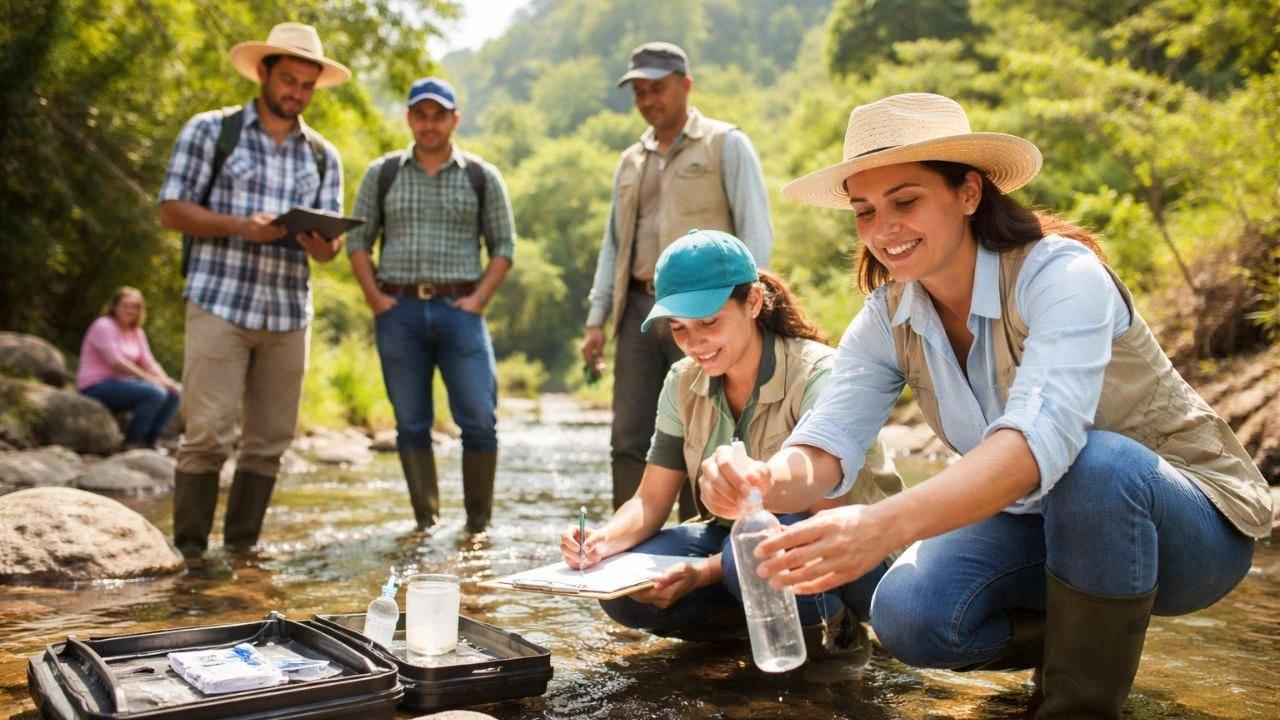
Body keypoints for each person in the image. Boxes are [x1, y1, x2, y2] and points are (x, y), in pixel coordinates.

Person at [697, 94, 1272, 717]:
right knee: (907, 613)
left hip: (1190, 527)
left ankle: (1078, 705)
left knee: (1096, 464)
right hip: (1043, 524)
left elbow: (1037, 443)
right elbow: (826, 443)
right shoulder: (887, 317)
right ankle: (1085, 644)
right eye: (865, 211)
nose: (883, 229)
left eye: (905, 201)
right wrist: (761, 478)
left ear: (969, 193)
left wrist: (882, 525)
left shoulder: (1062, 275)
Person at [562, 230, 905, 657]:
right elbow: (650, 500)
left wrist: (704, 572)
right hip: (742, 551)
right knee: (626, 590)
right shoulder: (681, 382)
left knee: (749, 556)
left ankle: (838, 635)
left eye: (709, 322)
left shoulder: (818, 373)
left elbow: (824, 509)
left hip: (856, 554)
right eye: (679, 328)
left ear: (754, 301)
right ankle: (752, 631)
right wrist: (601, 542)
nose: (694, 343)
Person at [157, 22, 349, 556]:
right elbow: (171, 210)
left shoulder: (323, 155)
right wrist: (241, 226)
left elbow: (331, 249)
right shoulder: (210, 131)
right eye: (288, 80)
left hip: (288, 314)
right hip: (219, 302)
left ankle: (241, 556)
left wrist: (323, 245)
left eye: (307, 85)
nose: (297, 93)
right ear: (263, 72)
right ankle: (191, 558)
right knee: (207, 435)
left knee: (268, 445)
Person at [581, 42, 774, 520]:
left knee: (705, 432)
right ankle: (622, 542)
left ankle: (703, 540)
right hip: (640, 312)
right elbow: (613, 245)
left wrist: (748, 308)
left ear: (685, 85)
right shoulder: (630, 161)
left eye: (657, 88)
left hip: (710, 312)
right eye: (639, 92)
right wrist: (597, 319)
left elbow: (755, 233)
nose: (648, 99)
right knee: (627, 436)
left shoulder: (726, 144)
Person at [346, 77, 515, 534]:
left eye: (439, 115)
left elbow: (504, 246)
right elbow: (358, 241)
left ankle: (476, 528)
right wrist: (375, 298)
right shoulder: (382, 173)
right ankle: (426, 524)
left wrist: (479, 299)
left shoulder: (482, 176)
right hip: (397, 311)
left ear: (454, 119)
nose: (429, 124)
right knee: (411, 423)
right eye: (420, 115)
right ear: (409, 118)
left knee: (479, 419)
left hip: (461, 312)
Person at [76, 287, 181, 451]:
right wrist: (153, 380)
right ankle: (133, 441)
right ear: (115, 306)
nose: (130, 310)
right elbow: (116, 362)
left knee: (173, 392)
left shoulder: (137, 333)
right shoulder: (103, 325)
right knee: (155, 393)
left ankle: (151, 441)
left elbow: (149, 362)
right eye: (126, 305)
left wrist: (166, 381)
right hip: (96, 386)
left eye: (135, 307)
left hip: (122, 385)